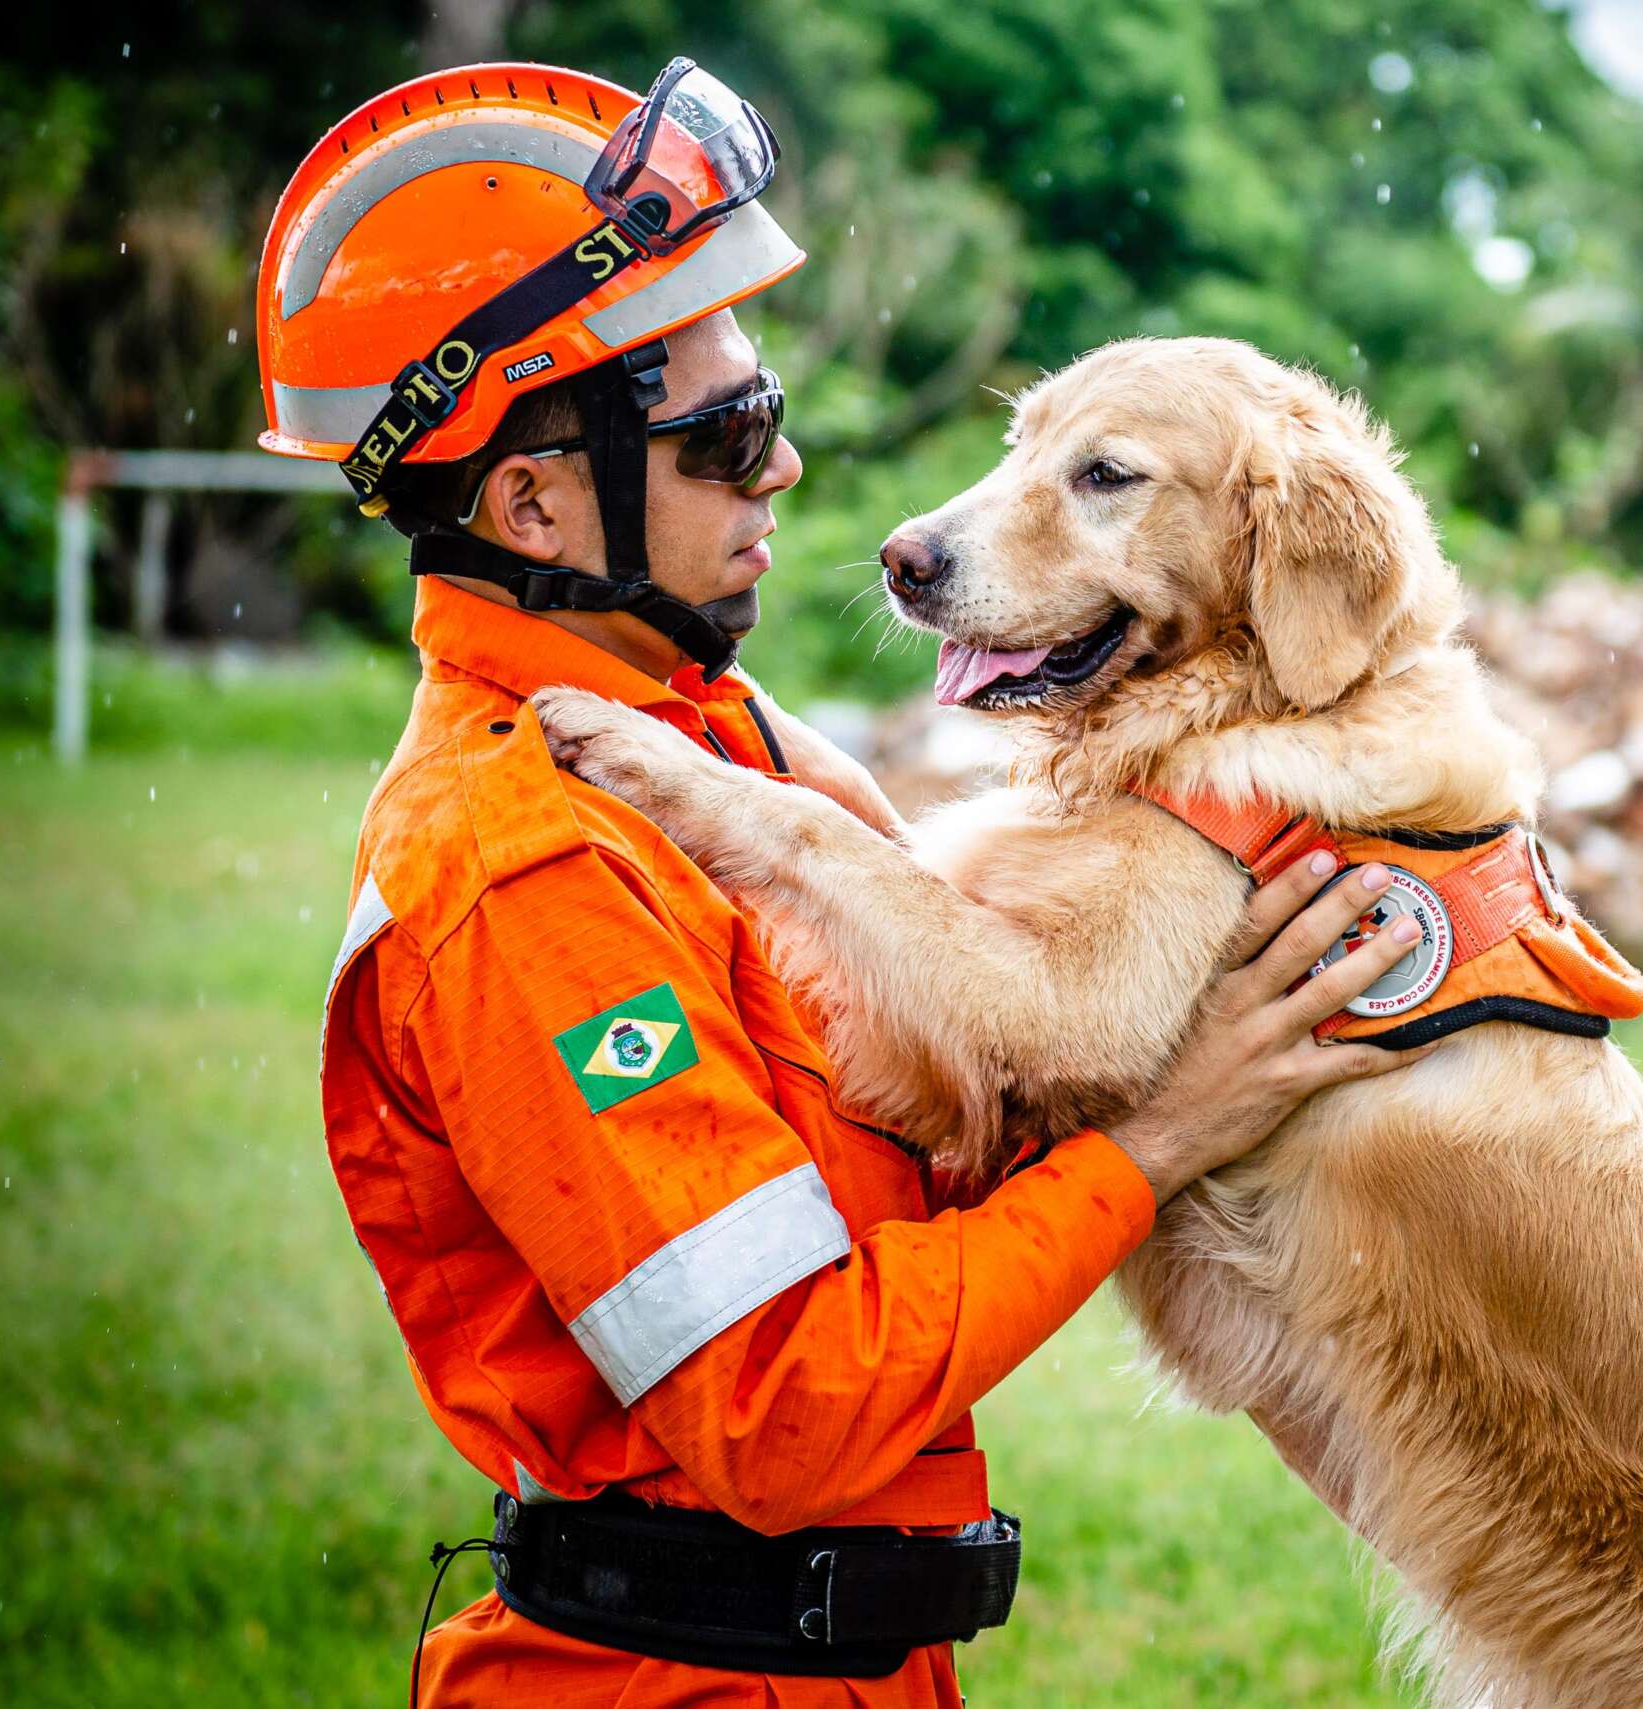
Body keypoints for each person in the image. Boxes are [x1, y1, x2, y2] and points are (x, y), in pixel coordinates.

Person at [259, 57, 1432, 1707]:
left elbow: (957, 1128)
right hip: (678, 1681)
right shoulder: (521, 866)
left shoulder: (727, 745)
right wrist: (1163, 1139)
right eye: (726, 434)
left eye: (774, 412)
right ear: (532, 498)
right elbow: (782, 1406)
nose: (785, 474)